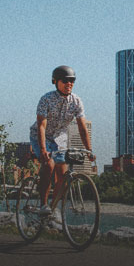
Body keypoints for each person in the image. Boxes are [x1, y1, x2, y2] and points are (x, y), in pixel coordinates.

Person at [29, 65, 93, 217]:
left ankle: (51, 209)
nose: (69, 83)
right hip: (41, 136)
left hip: (60, 139)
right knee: (48, 164)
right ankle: (43, 204)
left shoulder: (76, 101)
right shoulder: (46, 99)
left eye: (72, 80)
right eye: (65, 80)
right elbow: (41, 126)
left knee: (64, 178)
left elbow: (82, 128)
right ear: (55, 82)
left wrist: (89, 149)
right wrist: (43, 150)